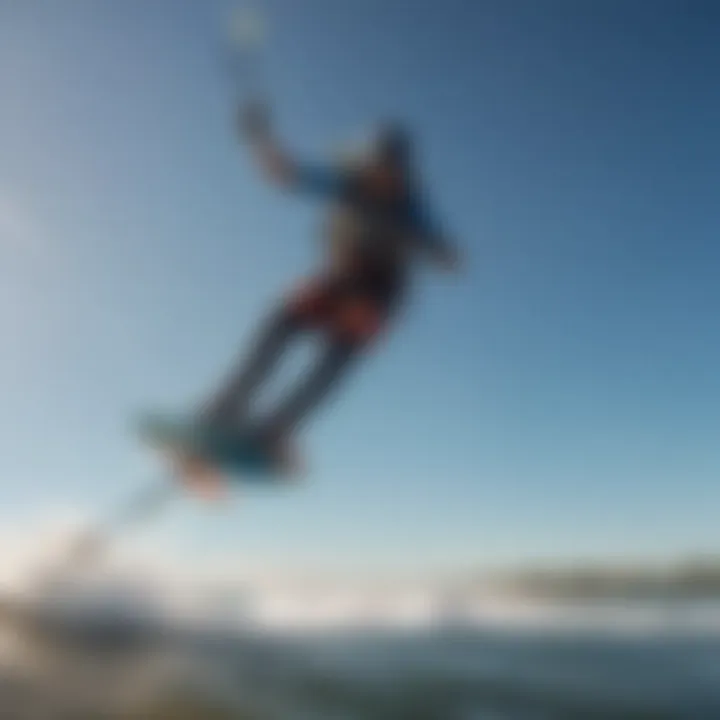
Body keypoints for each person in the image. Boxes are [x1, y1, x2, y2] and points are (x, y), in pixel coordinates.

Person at [200, 102, 460, 470]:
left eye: (389, 172)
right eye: (376, 169)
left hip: (380, 292)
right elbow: (285, 174)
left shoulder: (410, 207)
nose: (381, 179)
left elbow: (436, 240)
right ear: (369, 164)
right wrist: (258, 136)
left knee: (337, 357)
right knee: (282, 320)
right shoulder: (349, 183)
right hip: (340, 278)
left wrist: (443, 251)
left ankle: (275, 430)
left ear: (401, 172)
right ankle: (223, 411)